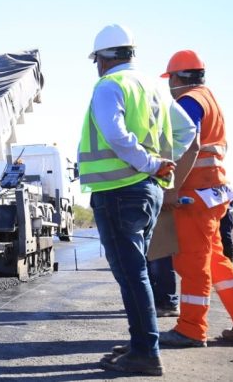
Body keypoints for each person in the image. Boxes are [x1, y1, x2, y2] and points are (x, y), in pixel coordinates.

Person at [78, 24, 196, 376]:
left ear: (101, 59)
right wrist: (159, 164)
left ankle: (145, 351)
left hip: (119, 192)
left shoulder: (109, 85)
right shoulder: (155, 88)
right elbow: (188, 129)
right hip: (148, 192)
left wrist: (148, 162)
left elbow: (114, 132)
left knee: (132, 276)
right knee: (137, 273)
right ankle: (141, 343)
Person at [157, 50, 233, 347]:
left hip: (195, 195)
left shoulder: (188, 101)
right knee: (217, 261)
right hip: (215, 192)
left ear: (178, 77)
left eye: (170, 79)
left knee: (193, 263)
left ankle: (191, 329)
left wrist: (172, 188)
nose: (169, 86)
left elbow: (190, 143)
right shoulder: (210, 99)